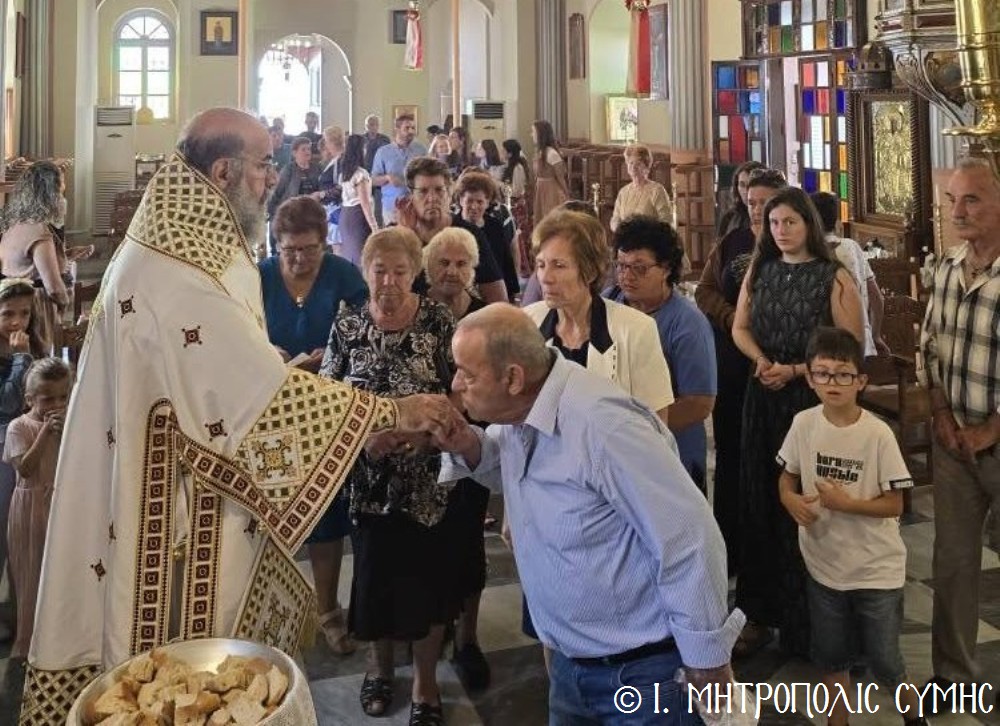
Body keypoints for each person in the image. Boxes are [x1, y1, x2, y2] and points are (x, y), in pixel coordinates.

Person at [21, 108, 461, 724]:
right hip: (169, 513)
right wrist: (392, 410)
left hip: (177, 474)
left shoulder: (186, 239)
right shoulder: (180, 269)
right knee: (178, 686)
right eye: (262, 164)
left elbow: (224, 376)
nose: (270, 177)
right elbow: (255, 405)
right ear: (224, 170)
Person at [437, 304, 744, 725]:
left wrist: (707, 660)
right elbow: (513, 466)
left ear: (512, 378)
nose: (455, 384)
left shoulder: (603, 426)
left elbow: (689, 536)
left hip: (641, 674)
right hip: (570, 666)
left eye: (466, 374)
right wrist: (467, 444)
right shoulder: (520, 411)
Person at [319, 227, 459, 725]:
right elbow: (327, 399)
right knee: (374, 581)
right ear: (366, 271)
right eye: (380, 270)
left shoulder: (439, 322)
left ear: (415, 273)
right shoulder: (348, 325)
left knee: (427, 584)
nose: (391, 282)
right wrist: (366, 437)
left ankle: (424, 684)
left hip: (428, 480)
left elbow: (461, 390)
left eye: (401, 271)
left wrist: (428, 434)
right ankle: (378, 670)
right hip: (369, 483)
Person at [731, 186, 864, 659]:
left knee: (809, 509)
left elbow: (849, 348)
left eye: (790, 222)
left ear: (808, 224)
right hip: (764, 398)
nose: (781, 231)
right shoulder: (760, 271)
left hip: (812, 402)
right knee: (761, 502)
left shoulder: (834, 276)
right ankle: (760, 613)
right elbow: (739, 327)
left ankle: (813, 623)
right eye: (773, 224)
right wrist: (763, 361)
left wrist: (796, 371)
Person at [777, 327, 927, 726]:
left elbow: (895, 503)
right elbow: (787, 477)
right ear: (809, 378)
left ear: (861, 381)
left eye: (843, 374)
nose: (832, 383)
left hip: (876, 569)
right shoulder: (804, 424)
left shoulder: (877, 433)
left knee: (885, 660)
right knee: (831, 657)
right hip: (824, 566)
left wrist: (848, 504)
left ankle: (914, 716)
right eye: (822, 373)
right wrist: (789, 499)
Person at [261, 196, 367, 656]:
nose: (300, 259)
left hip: (328, 406)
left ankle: (328, 608)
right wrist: (268, 353)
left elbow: (365, 330)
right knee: (267, 517)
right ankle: (268, 613)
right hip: (272, 407)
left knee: (328, 517)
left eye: (308, 249)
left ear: (326, 243)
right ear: (276, 246)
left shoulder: (344, 275)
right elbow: (239, 329)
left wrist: (335, 355)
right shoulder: (260, 276)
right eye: (290, 251)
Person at [919, 157, 1000, 710]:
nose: (957, 212)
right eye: (951, 200)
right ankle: (954, 679)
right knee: (952, 563)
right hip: (954, 443)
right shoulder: (947, 268)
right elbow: (930, 348)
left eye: (970, 199)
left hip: (995, 438)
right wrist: (944, 418)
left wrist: (990, 429)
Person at [695, 167, 786, 575]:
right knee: (732, 454)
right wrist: (733, 316)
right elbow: (705, 290)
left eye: (765, 205)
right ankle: (729, 546)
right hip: (734, 365)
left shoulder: (792, 246)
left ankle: (772, 550)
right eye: (751, 203)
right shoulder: (733, 242)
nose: (756, 212)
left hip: (780, 368)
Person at [422, 227, 492, 691]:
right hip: (421, 452)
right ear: (428, 267)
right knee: (426, 550)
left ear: (474, 268)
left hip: (473, 445)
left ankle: (467, 638)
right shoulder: (414, 312)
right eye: (443, 263)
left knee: (468, 544)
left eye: (461, 263)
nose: (451, 271)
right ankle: (430, 629)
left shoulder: (489, 319)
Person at [605, 216, 716, 489]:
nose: (627, 277)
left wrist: (638, 429)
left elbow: (699, 403)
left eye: (639, 269)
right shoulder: (609, 302)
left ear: (666, 268)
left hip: (671, 450)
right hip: (615, 449)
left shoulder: (687, 323)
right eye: (621, 266)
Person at [4, 358, 71, 660]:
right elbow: (26, 469)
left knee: (61, 570)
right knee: (30, 573)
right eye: (47, 399)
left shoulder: (71, 424)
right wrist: (45, 432)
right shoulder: (19, 427)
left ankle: (59, 636)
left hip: (61, 503)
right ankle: (26, 641)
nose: (56, 404)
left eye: (63, 397)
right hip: (30, 506)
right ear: (30, 399)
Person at [397, 156, 508, 304]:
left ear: (449, 194)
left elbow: (497, 297)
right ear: (411, 196)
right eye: (423, 191)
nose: (432, 198)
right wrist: (407, 234)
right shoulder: (398, 235)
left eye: (439, 190)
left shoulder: (469, 233)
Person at [0, 279, 43, 644]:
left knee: (25, 534)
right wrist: (20, 359)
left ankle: (25, 611)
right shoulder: (19, 354)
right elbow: (9, 404)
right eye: (8, 314)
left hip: (31, 444)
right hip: (5, 449)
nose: (17, 322)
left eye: (25, 313)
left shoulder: (32, 346)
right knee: (4, 530)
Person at [0, 161, 77, 354]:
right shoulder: (38, 230)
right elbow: (54, 288)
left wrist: (65, 256)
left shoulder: (15, 224)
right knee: (35, 368)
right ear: (49, 194)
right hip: (34, 310)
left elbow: (26, 265)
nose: (62, 196)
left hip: (12, 302)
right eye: (60, 190)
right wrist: (65, 304)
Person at [811, 191, 887, 358]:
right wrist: (875, 335)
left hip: (824, 346)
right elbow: (877, 299)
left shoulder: (810, 253)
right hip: (860, 343)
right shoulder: (852, 247)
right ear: (836, 221)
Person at [454, 170, 519, 305]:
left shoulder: (495, 226)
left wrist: (512, 295)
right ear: (461, 200)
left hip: (494, 293)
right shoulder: (453, 227)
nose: (474, 206)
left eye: (480, 201)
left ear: (488, 202)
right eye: (469, 200)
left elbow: (506, 262)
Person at [267, 136, 322, 254]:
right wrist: (274, 216)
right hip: (291, 216)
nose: (307, 152)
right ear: (294, 153)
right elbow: (276, 194)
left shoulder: (317, 168)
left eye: (309, 149)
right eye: (303, 149)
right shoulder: (288, 170)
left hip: (310, 216)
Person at [371, 114, 427, 225]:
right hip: (392, 208)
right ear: (397, 129)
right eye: (407, 128)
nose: (411, 131)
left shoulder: (421, 150)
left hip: (417, 205)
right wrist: (387, 178)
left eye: (413, 128)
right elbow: (373, 180)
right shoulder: (383, 152)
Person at [336, 134, 380, 265]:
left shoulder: (345, 172)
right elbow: (364, 202)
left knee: (349, 253)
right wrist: (374, 226)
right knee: (361, 255)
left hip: (345, 215)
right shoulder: (361, 174)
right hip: (358, 216)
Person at [609, 144, 674, 232]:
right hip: (627, 240)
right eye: (630, 163)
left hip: (649, 240)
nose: (633, 167)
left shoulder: (657, 190)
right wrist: (619, 229)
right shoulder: (623, 192)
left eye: (638, 164)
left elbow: (666, 221)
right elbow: (615, 219)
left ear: (647, 166)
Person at [501, 139, 533, 281]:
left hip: (517, 205)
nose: (500, 153)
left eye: (503, 150)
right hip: (512, 204)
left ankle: (523, 266)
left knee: (519, 235)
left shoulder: (518, 167)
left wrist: (498, 184)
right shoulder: (509, 165)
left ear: (509, 153)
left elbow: (516, 190)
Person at [531, 120, 569, 227]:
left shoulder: (551, 153)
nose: (532, 135)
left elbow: (560, 177)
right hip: (541, 188)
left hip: (551, 191)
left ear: (540, 134)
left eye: (533, 132)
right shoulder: (540, 152)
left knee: (551, 221)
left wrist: (566, 194)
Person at [716, 160, 766, 237]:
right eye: (742, 185)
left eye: (750, 184)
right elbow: (719, 246)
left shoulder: (773, 216)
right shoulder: (729, 218)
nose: (746, 191)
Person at [361, 115, 391, 224]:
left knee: (378, 209)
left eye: (375, 124)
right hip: (364, 177)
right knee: (365, 207)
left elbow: (389, 157)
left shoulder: (384, 140)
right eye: (370, 125)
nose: (372, 127)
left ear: (378, 126)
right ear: (366, 126)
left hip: (379, 178)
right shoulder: (361, 140)